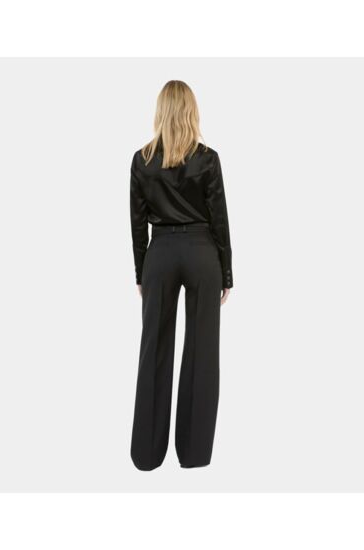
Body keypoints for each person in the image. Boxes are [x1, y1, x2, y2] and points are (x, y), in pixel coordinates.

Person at [129, 80, 233, 470]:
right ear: (192, 111)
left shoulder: (142, 160)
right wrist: (227, 272)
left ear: (160, 111)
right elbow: (219, 218)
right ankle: (193, 454)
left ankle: (147, 454)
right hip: (203, 252)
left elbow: (137, 224)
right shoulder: (208, 159)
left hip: (161, 252)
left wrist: (142, 272)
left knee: (153, 348)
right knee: (202, 351)